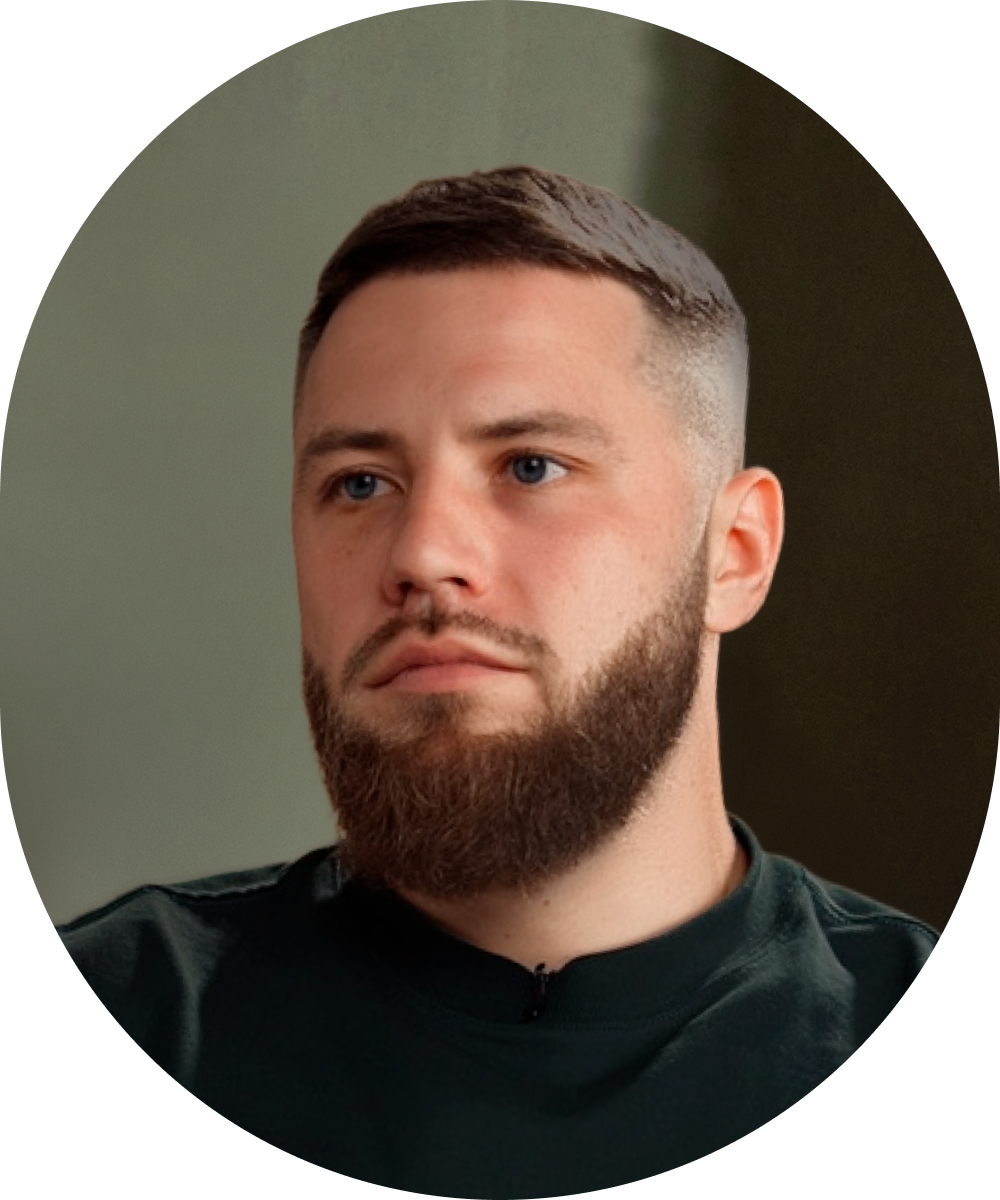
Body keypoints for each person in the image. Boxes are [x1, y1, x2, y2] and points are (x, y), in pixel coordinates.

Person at [56, 166, 938, 1192]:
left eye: (530, 465)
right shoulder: (132, 1008)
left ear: (734, 554)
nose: (422, 554)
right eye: (360, 484)